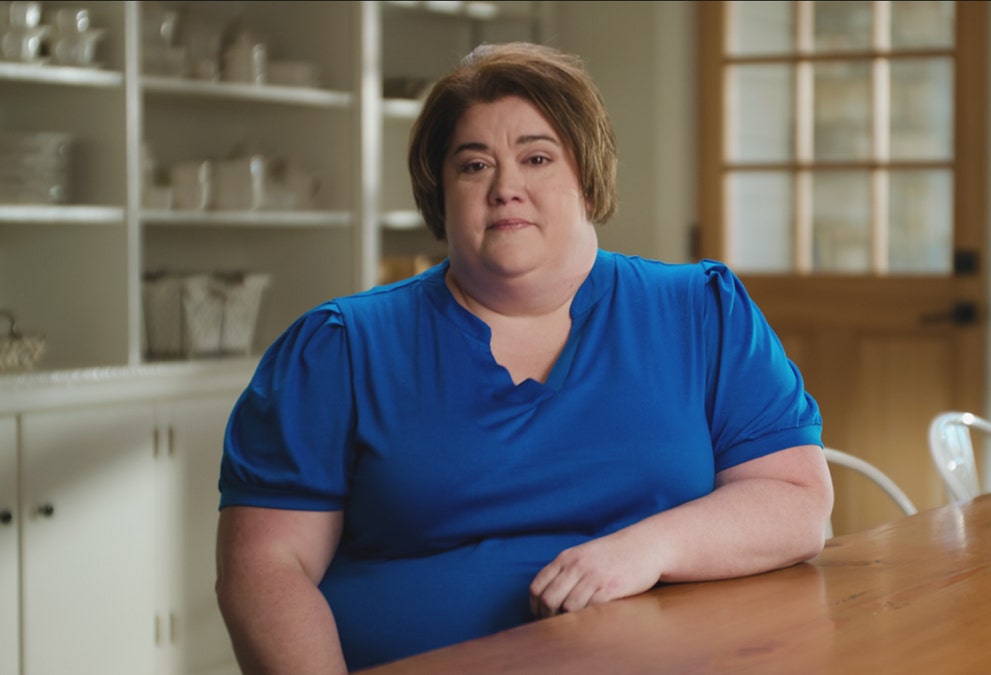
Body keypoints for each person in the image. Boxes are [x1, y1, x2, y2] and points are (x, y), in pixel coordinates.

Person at [215, 41, 833, 674]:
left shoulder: (702, 311)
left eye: (537, 158)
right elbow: (266, 568)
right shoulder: (338, 348)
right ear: (440, 193)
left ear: (587, 179)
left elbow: (796, 503)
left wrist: (647, 548)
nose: (505, 188)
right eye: (474, 165)